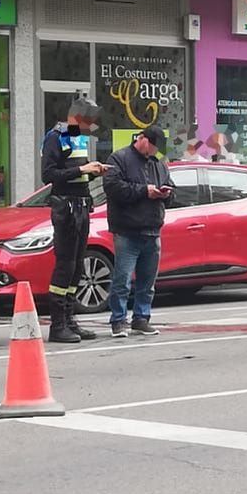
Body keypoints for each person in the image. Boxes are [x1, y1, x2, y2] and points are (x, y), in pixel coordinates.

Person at [39, 98, 107, 343]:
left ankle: (70, 320)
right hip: (66, 208)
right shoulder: (55, 137)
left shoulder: (77, 138)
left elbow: (77, 174)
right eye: (89, 120)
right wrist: (82, 170)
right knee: (65, 265)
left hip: (81, 205)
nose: (92, 126)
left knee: (78, 266)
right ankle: (58, 325)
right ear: (76, 117)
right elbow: (48, 174)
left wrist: (93, 172)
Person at [103, 127, 175, 337]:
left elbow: (171, 190)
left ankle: (141, 318)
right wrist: (144, 191)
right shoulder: (119, 158)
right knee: (122, 280)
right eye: (152, 146)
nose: (153, 151)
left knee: (147, 281)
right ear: (142, 139)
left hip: (152, 229)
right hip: (127, 230)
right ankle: (118, 320)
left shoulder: (158, 163)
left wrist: (166, 194)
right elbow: (113, 187)